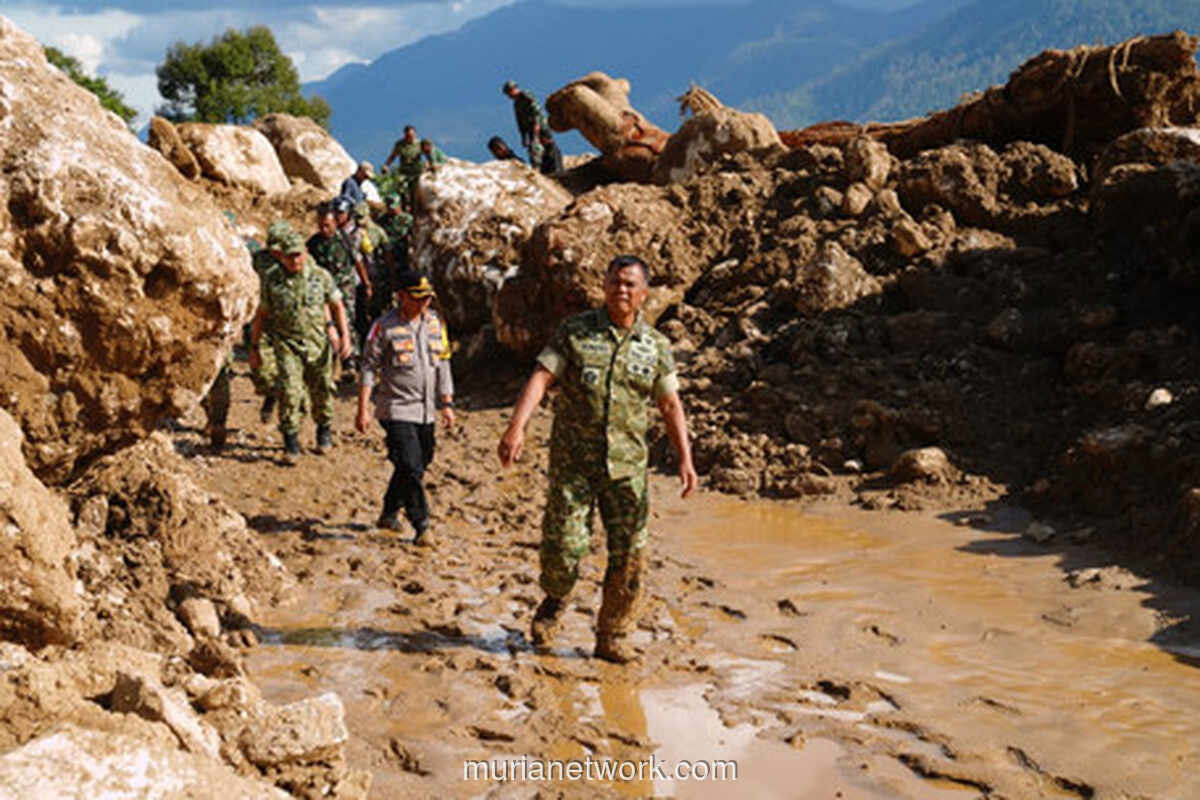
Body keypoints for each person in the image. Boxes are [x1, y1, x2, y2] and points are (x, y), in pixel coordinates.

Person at [497, 254, 698, 664]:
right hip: (574, 464)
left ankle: (613, 635)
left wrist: (685, 459)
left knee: (630, 554)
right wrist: (517, 427)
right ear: (604, 287)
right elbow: (542, 377)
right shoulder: (575, 332)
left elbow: (670, 404)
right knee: (564, 548)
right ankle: (556, 597)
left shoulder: (656, 346)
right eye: (615, 282)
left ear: (643, 294)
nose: (621, 290)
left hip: (627, 469)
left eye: (629, 284)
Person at [357, 270, 455, 545]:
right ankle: (421, 524)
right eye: (418, 298)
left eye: (427, 298)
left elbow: (443, 364)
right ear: (402, 297)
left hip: (426, 410)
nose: (424, 303)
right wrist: (363, 408)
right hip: (396, 408)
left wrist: (446, 403)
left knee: (419, 463)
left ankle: (389, 512)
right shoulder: (384, 326)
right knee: (410, 465)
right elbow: (368, 367)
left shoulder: (435, 323)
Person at [250, 232, 352, 458]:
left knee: (322, 390)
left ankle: (324, 430)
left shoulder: (320, 276)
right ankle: (291, 440)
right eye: (289, 256)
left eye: (298, 255)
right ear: (282, 257)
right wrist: (255, 347)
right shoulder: (272, 279)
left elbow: (337, 306)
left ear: (305, 254)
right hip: (287, 345)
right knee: (290, 391)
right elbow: (262, 314)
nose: (294, 260)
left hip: (317, 344)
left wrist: (344, 336)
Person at [308, 201, 370, 374]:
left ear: (335, 223)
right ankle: (329, 359)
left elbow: (358, 262)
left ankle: (350, 360)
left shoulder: (345, 240)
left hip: (344, 288)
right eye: (321, 225)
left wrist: (366, 284)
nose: (324, 229)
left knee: (347, 320)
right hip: (323, 289)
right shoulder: (314, 243)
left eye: (327, 225)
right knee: (325, 323)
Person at [502, 80, 547, 164]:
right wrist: (523, 137)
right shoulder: (516, 104)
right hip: (529, 129)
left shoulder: (526, 95)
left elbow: (536, 110)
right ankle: (537, 165)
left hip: (540, 126)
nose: (509, 96)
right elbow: (520, 121)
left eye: (509, 93)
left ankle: (543, 164)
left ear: (514, 89)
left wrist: (537, 124)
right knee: (533, 149)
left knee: (542, 146)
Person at [383, 125, 424, 205]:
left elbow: (428, 153)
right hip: (404, 172)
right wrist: (386, 165)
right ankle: (404, 204)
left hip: (417, 172)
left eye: (411, 135)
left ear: (415, 135)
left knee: (417, 190)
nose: (409, 138)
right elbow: (393, 156)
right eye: (407, 136)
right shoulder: (400, 144)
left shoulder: (419, 144)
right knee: (401, 188)